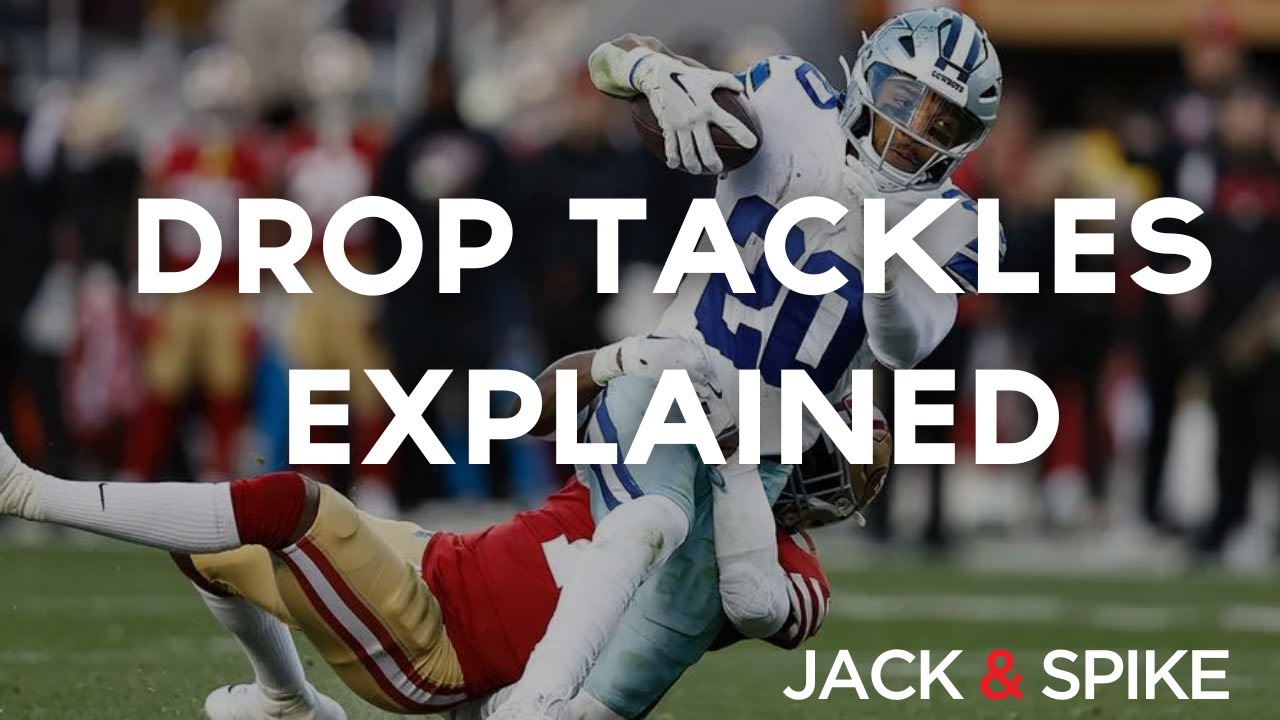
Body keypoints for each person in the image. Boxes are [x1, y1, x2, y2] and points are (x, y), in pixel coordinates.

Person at [491, 9, 1004, 719]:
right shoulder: (792, 101)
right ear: (867, 79)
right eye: (901, 101)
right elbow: (613, 57)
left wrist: (883, 267)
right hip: (679, 374)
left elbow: (905, 345)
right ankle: (532, 702)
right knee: (650, 521)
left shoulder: (952, 221)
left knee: (625, 689)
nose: (914, 129)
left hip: (764, 453)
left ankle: (510, 707)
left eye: (942, 124)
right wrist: (656, 75)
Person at [0, 341, 886, 718]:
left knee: (285, 504)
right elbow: (533, 417)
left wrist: (732, 463)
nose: (836, 480)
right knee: (206, 540)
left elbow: (762, 605)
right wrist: (620, 362)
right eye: (840, 447)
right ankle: (284, 701)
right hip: (438, 561)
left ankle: (32, 493)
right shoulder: (675, 453)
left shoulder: (787, 567)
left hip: (444, 647)